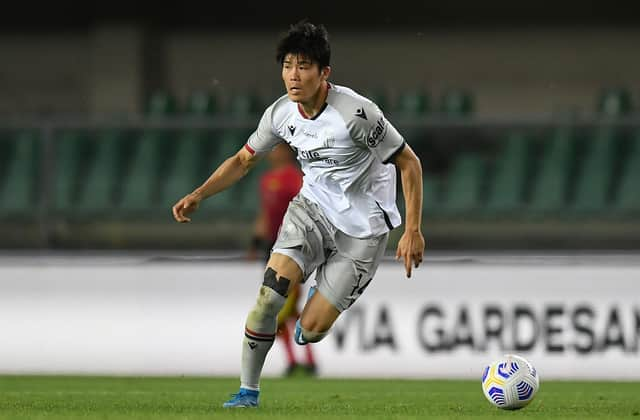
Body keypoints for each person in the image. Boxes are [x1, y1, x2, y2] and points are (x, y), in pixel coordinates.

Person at [172, 20, 424, 408]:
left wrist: (413, 230)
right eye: (288, 65)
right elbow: (243, 160)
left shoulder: (357, 114)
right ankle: (247, 392)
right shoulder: (280, 114)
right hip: (311, 211)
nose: (293, 75)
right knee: (269, 298)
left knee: (311, 328)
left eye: (304, 66)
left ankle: (318, 309)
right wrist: (199, 194)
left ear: (325, 73)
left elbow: (409, 162)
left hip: (363, 229)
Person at [247, 143, 317, 377]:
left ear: (286, 152)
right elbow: (265, 213)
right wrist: (256, 242)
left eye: (276, 149)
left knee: (284, 307)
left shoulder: (295, 178)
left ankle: (304, 358)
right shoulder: (266, 180)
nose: (272, 153)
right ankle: (297, 360)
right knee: (280, 307)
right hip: (271, 248)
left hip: (293, 248)